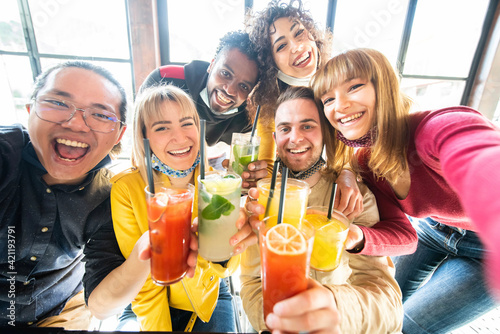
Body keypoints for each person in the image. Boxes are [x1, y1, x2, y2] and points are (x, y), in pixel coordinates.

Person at [311, 48, 500, 333]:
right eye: (328, 99)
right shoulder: (366, 162)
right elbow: (405, 236)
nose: (340, 105)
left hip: (486, 249)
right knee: (384, 308)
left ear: (383, 86)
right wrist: (359, 236)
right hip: (433, 230)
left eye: (355, 86)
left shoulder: (436, 128)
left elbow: (484, 164)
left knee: (410, 324)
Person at [84, 85, 257, 332]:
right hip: (147, 300)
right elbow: (144, 286)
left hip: (209, 297)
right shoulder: (126, 188)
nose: (180, 137)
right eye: (162, 127)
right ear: (144, 137)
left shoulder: (218, 182)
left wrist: (228, 247)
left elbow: (225, 267)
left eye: (187, 123)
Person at [241, 86, 403, 333]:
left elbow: (388, 300)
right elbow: (252, 282)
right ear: (275, 139)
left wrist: (334, 308)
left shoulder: (353, 198)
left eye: (307, 126)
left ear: (326, 133)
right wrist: (275, 324)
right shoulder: (264, 197)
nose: (294, 138)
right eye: (285, 128)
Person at [0, 61, 127, 328]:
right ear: (29, 109)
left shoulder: (110, 197)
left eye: (101, 115)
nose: (76, 124)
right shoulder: (5, 156)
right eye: (58, 103)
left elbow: (103, 303)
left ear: (119, 134)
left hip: (60, 310)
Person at [247, 0, 364, 220]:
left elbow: (349, 144)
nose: (297, 47)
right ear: (271, 62)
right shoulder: (268, 104)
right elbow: (268, 167)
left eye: (299, 33)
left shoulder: (338, 82)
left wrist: (347, 173)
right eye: (281, 46)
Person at [141, 30, 267, 188]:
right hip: (157, 170)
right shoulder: (165, 80)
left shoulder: (249, 117)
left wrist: (250, 178)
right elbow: (139, 144)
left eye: (243, 86)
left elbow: (241, 177)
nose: (229, 90)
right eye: (225, 73)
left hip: (215, 166)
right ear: (212, 65)